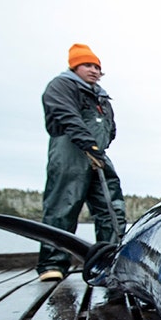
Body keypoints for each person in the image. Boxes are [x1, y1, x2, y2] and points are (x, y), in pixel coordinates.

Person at [37, 43, 126, 281]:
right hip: (71, 152)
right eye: (88, 65)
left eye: (98, 67)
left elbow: (110, 126)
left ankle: (112, 261)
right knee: (62, 207)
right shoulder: (61, 86)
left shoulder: (101, 96)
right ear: (74, 67)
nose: (94, 71)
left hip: (98, 155)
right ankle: (52, 264)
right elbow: (67, 116)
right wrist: (88, 145)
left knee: (112, 208)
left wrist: (100, 147)